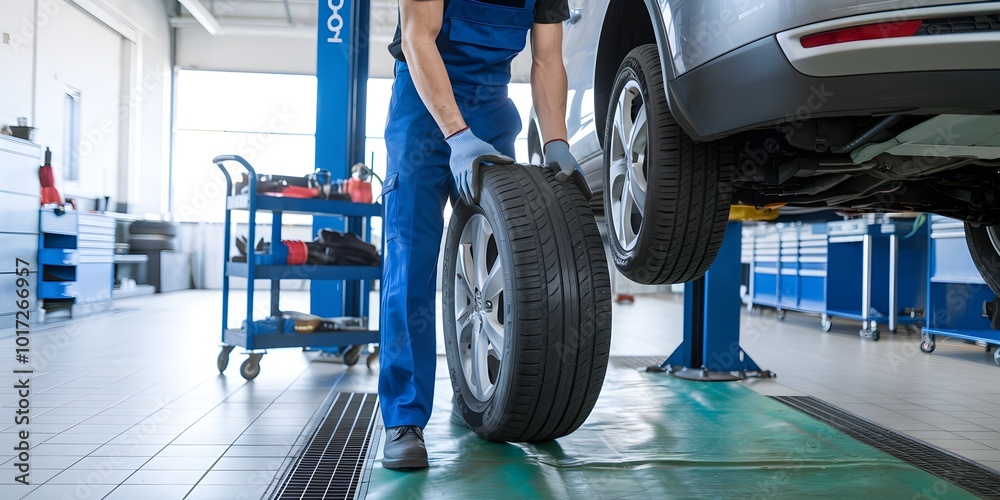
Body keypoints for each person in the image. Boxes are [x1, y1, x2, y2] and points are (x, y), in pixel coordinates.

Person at [379, 0, 581, 470]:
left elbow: (548, 58)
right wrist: (457, 136)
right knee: (410, 263)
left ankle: (485, 383)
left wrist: (556, 142)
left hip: (492, 103)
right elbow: (417, 38)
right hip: (424, 101)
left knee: (505, 261)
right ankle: (404, 419)